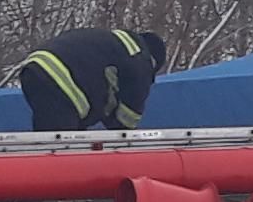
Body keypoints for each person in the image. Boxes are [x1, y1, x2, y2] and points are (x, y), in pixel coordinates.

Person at [15, 26, 171, 132]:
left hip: (34, 69)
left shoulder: (113, 41)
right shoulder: (140, 60)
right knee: (61, 151)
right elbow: (125, 125)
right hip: (63, 83)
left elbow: (93, 77)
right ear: (153, 63)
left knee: (47, 139)